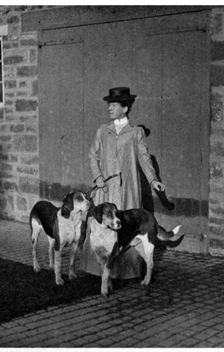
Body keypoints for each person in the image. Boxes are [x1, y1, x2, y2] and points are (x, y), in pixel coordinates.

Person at [80, 87, 165, 279]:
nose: (109, 108)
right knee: (101, 226)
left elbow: (144, 159)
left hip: (127, 190)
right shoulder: (103, 131)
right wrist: (98, 177)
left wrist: (153, 180)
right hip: (105, 189)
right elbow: (93, 155)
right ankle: (98, 270)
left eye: (114, 105)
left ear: (125, 108)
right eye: (109, 104)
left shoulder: (136, 133)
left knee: (126, 228)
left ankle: (126, 272)